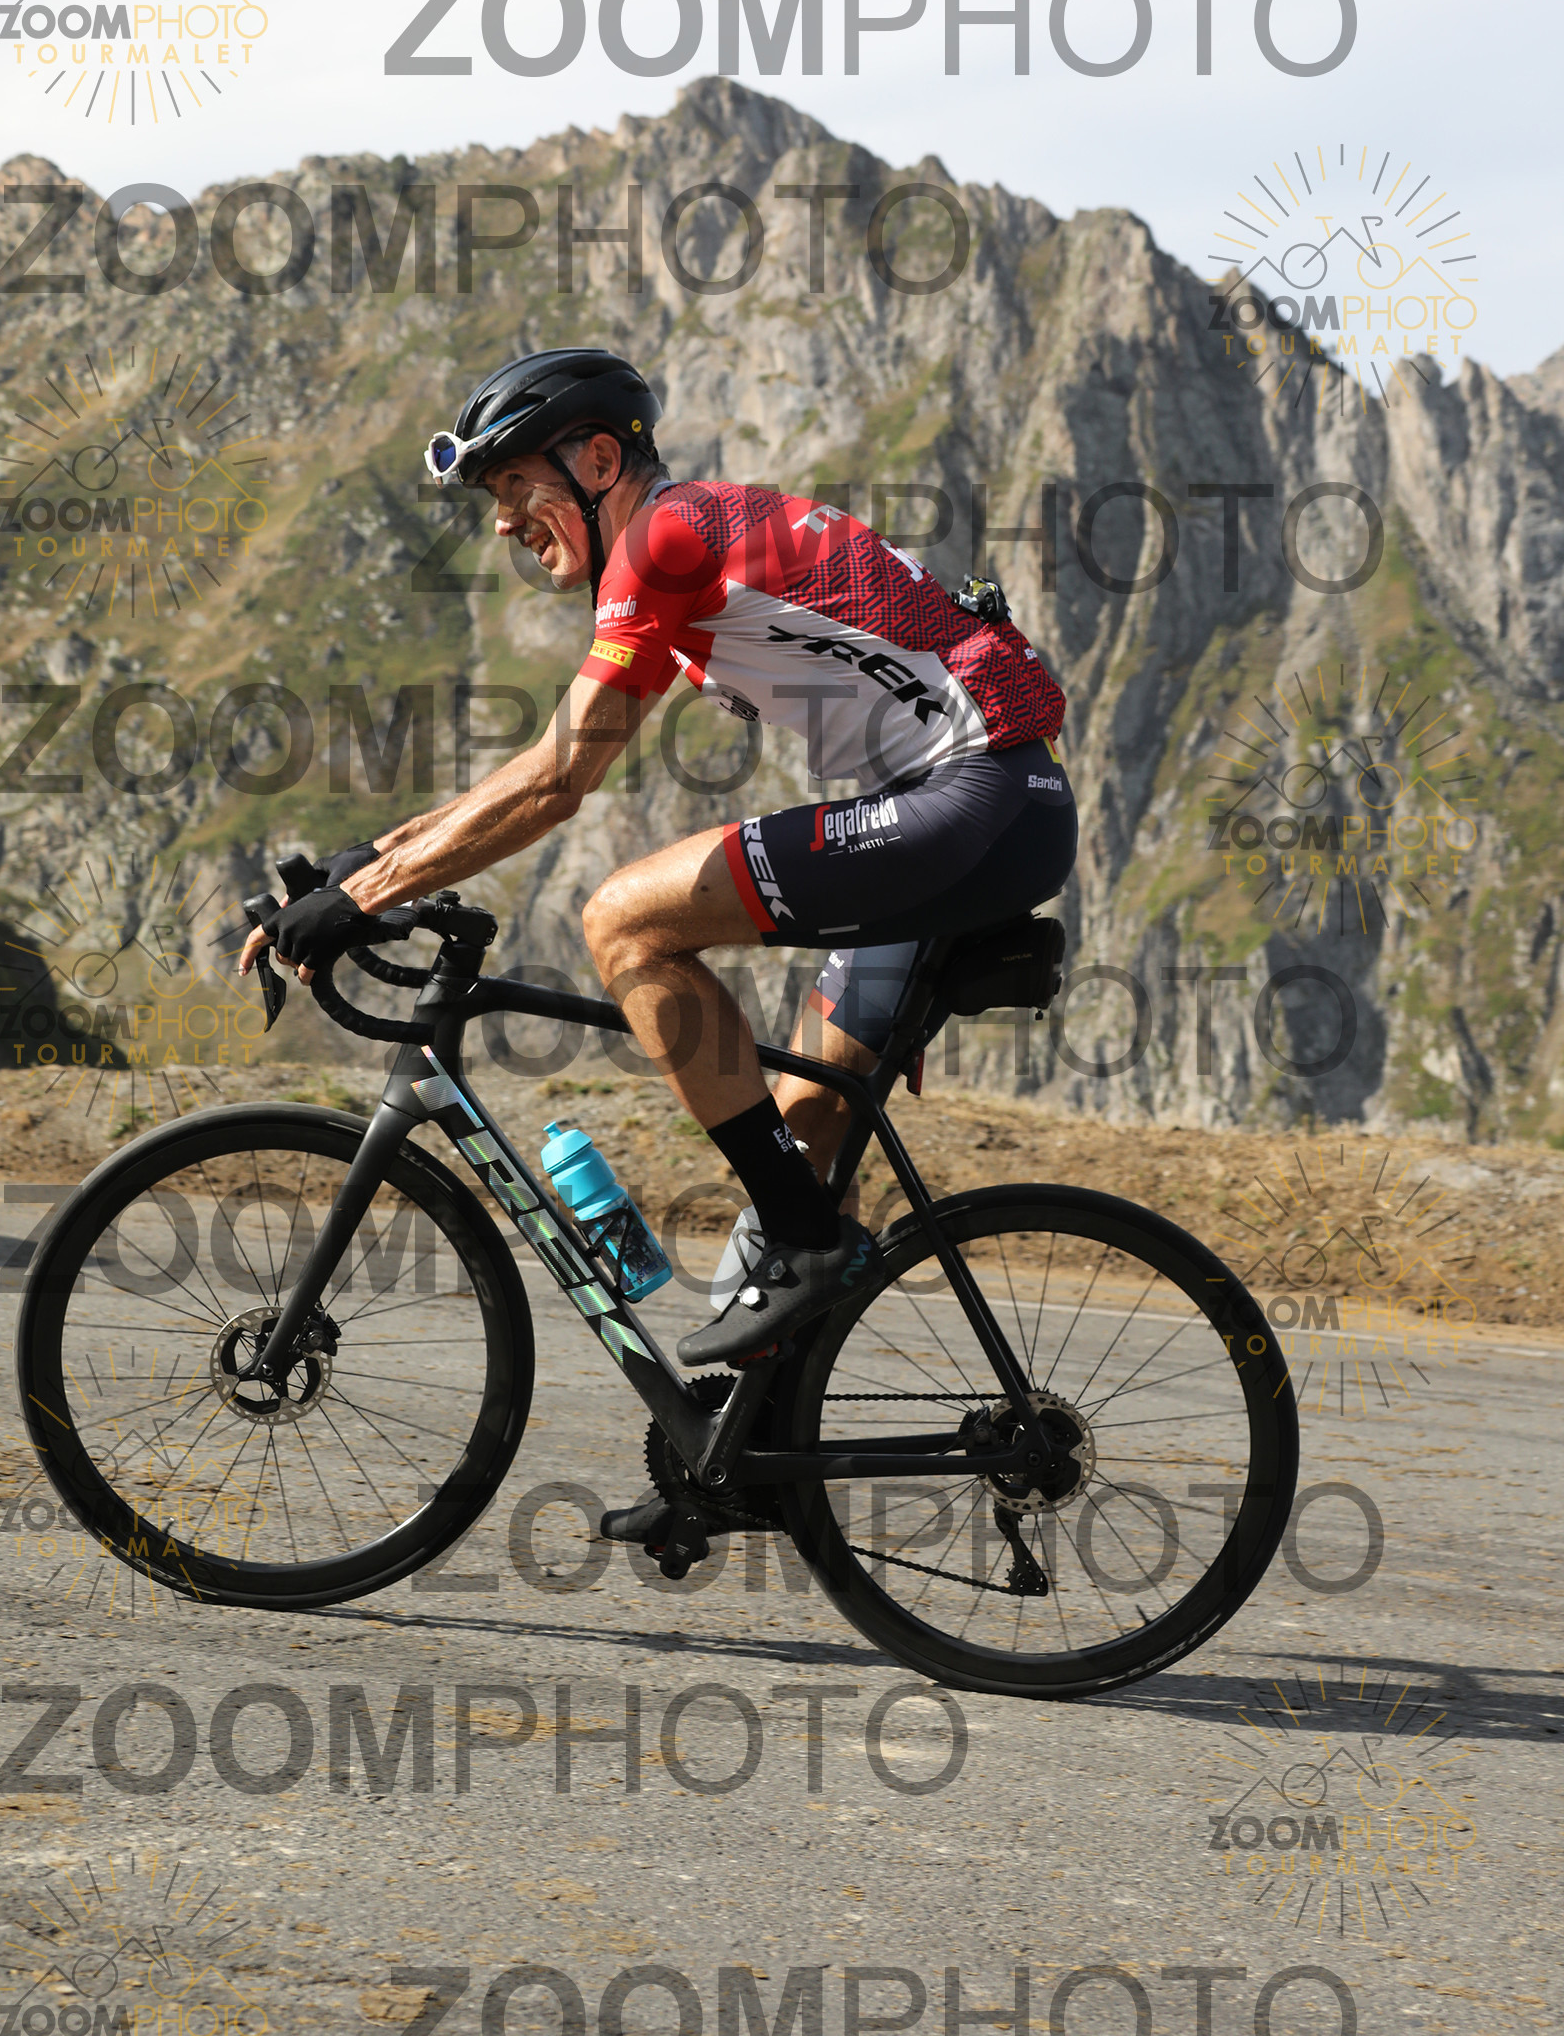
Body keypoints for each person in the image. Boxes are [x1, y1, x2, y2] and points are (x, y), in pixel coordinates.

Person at [238, 347, 1076, 1456]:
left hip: (970, 798)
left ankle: (809, 1250)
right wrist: (369, 864)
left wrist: (367, 896)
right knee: (800, 1137)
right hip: (992, 804)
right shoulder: (685, 543)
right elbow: (545, 760)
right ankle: (741, 1457)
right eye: (493, 501)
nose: (504, 524)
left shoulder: (664, 539)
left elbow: (560, 780)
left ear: (598, 461)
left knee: (624, 920)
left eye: (515, 488)